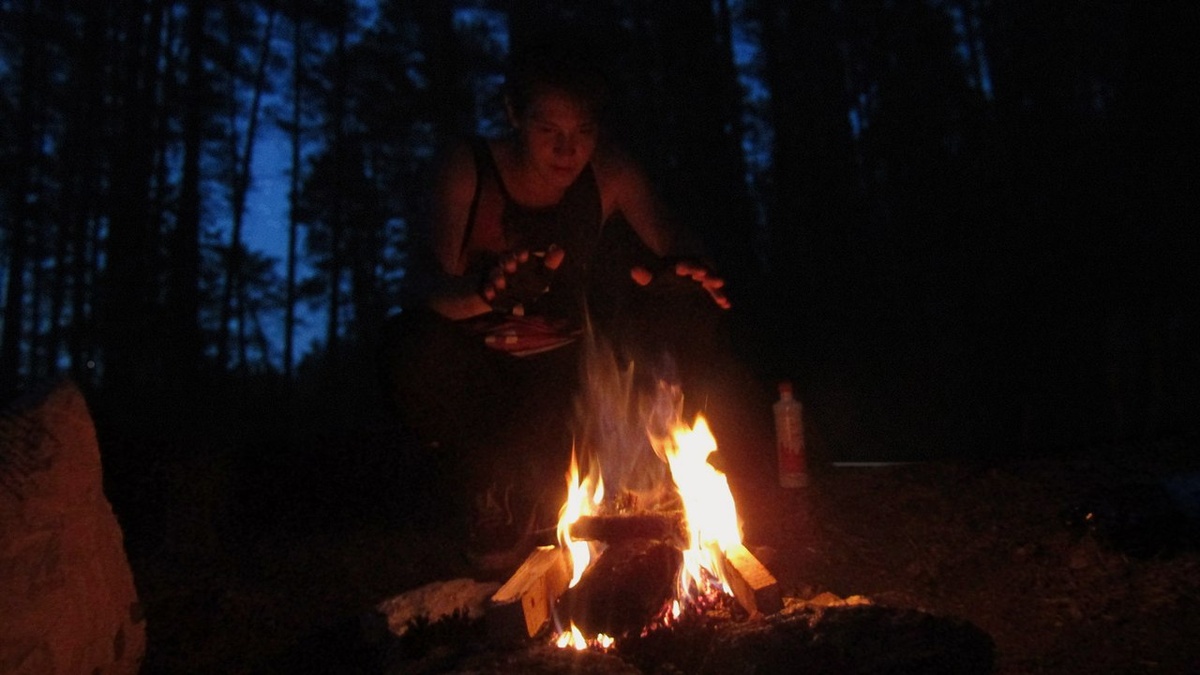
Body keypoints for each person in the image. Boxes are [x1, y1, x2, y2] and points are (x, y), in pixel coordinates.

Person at [382, 38, 741, 568]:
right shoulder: (470, 170)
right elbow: (423, 294)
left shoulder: (610, 175)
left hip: (562, 375)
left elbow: (673, 242)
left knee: (683, 318)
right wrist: (488, 294)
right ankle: (485, 490)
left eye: (583, 132)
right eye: (548, 131)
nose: (567, 151)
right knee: (412, 347)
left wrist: (684, 272)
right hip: (482, 368)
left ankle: (643, 490)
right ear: (514, 115)